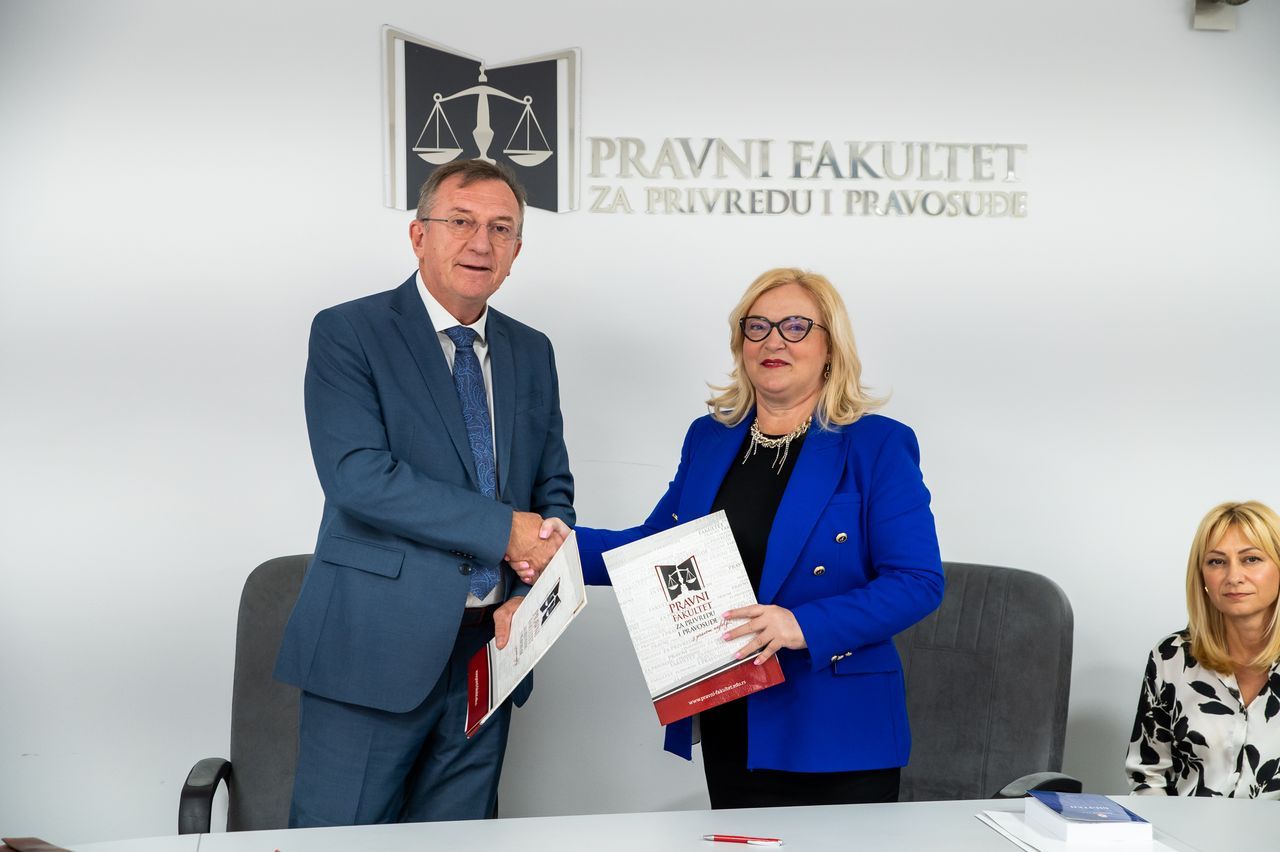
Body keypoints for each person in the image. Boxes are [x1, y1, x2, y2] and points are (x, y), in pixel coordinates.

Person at [531, 268, 943, 808]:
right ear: (740, 342)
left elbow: (917, 581)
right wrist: (554, 545)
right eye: (757, 327)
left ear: (830, 347)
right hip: (731, 704)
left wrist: (802, 624)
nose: (773, 341)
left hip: (837, 726)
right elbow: (656, 549)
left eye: (796, 326)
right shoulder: (710, 438)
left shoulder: (877, 444)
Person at [273, 159, 574, 826]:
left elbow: (551, 486)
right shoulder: (349, 332)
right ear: (419, 235)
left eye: (501, 229)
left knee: (458, 842)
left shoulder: (532, 351)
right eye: (461, 222)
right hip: (372, 647)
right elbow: (358, 476)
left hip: (491, 652)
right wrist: (505, 531)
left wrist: (529, 594)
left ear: (517, 250)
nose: (481, 243)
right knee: (338, 844)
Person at [1126, 500, 1280, 799]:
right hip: (1181, 829)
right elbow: (1148, 776)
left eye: (1251, 559)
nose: (1234, 576)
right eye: (1217, 562)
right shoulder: (1172, 657)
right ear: (1202, 577)